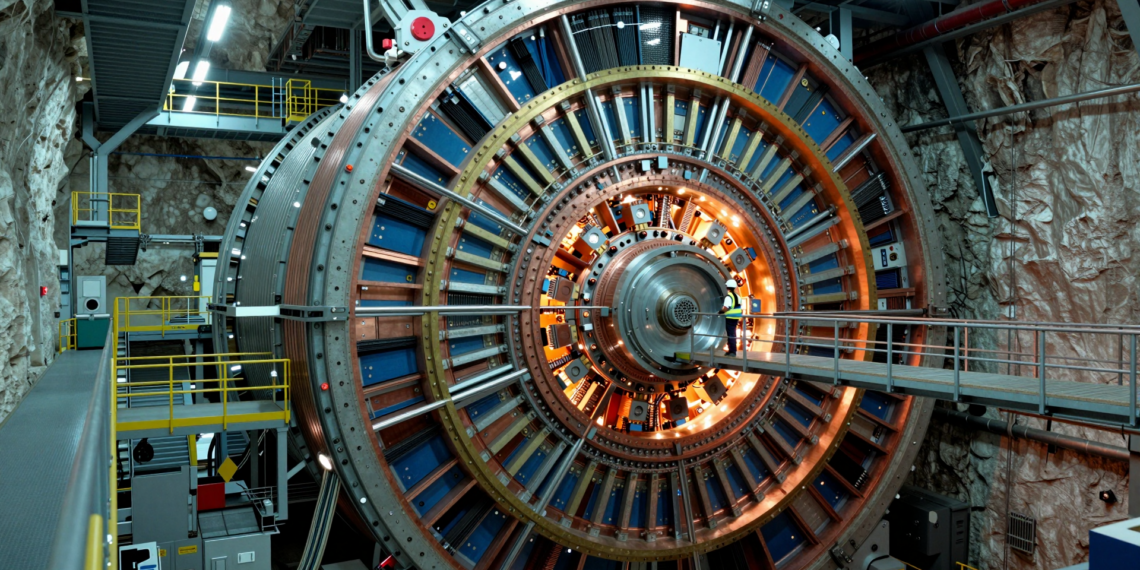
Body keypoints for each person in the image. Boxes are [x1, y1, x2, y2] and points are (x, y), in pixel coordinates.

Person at [719, 278, 743, 356]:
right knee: (733, 333)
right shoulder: (738, 296)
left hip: (730, 318)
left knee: (730, 334)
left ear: (727, 287)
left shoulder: (729, 297)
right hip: (736, 318)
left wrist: (720, 312)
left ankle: (732, 352)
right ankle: (732, 350)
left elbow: (726, 307)